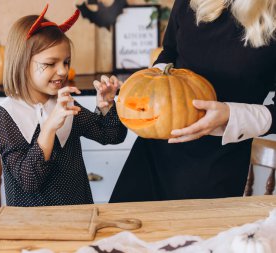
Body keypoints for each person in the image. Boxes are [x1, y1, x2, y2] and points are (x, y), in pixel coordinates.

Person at [110, 0, 276, 202]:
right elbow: (170, 51)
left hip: (217, 166)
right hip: (155, 151)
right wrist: (154, 85)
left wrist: (231, 115)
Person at [0, 4, 127, 207]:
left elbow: (112, 136)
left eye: (66, 62)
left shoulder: (66, 104)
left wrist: (107, 104)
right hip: (31, 227)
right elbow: (29, 180)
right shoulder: (7, 116)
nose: (63, 71)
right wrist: (48, 128)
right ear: (22, 63)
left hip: (78, 217)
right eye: (51, 63)